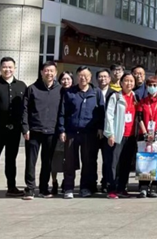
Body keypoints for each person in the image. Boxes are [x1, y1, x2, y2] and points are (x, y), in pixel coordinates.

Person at [0, 57, 28, 198]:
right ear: (0, 68)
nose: (7, 69)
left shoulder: (22, 86)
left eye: (10, 67)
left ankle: (11, 187)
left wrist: (24, 127)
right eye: (4, 67)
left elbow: (25, 109)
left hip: (14, 130)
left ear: (14, 68)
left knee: (11, 159)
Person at [58, 67, 105, 199]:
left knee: (88, 161)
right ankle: (68, 188)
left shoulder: (96, 92)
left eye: (86, 75)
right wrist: (62, 130)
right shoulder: (70, 92)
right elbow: (62, 112)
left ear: (90, 77)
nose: (83, 78)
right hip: (71, 132)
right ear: (77, 77)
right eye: (80, 75)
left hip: (89, 133)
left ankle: (85, 188)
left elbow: (101, 112)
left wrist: (100, 128)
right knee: (69, 162)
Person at [21, 61, 63, 200]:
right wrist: (25, 128)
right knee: (30, 161)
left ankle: (44, 188)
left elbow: (62, 111)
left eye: (51, 71)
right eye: (46, 70)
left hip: (51, 131)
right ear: (41, 72)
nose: (49, 73)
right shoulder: (32, 88)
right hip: (34, 130)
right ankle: (30, 188)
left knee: (47, 161)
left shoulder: (60, 90)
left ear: (55, 73)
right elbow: (25, 110)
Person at [103, 73, 138, 200]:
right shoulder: (116, 96)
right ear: (121, 83)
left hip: (131, 135)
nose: (129, 83)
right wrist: (110, 134)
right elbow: (109, 116)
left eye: (131, 81)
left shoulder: (135, 97)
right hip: (118, 135)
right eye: (126, 81)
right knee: (113, 162)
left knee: (126, 163)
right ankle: (111, 189)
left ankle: (122, 188)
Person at [135, 77, 157, 198]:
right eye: (150, 85)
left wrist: (156, 132)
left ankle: (154, 187)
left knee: (156, 161)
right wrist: (145, 133)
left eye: (155, 85)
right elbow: (139, 117)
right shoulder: (142, 101)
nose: (152, 87)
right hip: (143, 134)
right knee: (143, 161)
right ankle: (143, 187)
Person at [50, 71, 74, 196]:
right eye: (63, 79)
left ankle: (66, 182)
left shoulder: (75, 92)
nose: (66, 81)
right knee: (55, 158)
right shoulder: (56, 92)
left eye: (68, 79)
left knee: (68, 159)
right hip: (55, 130)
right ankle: (54, 182)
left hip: (70, 130)